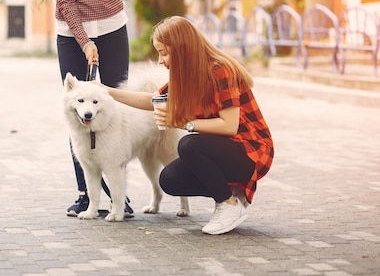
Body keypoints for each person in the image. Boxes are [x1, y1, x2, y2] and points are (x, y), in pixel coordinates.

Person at [105, 16, 274, 235]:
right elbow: (151, 100)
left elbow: (229, 126)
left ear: (182, 49)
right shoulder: (185, 75)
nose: (160, 60)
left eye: (164, 53)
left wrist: (182, 123)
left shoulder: (220, 70)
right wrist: (105, 91)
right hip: (223, 148)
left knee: (189, 144)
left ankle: (229, 205)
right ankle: (231, 192)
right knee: (170, 180)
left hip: (252, 151)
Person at [32, 0, 141, 216]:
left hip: (111, 26)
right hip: (72, 31)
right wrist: (84, 41)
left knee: (116, 105)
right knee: (80, 110)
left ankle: (119, 197)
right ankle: (86, 194)